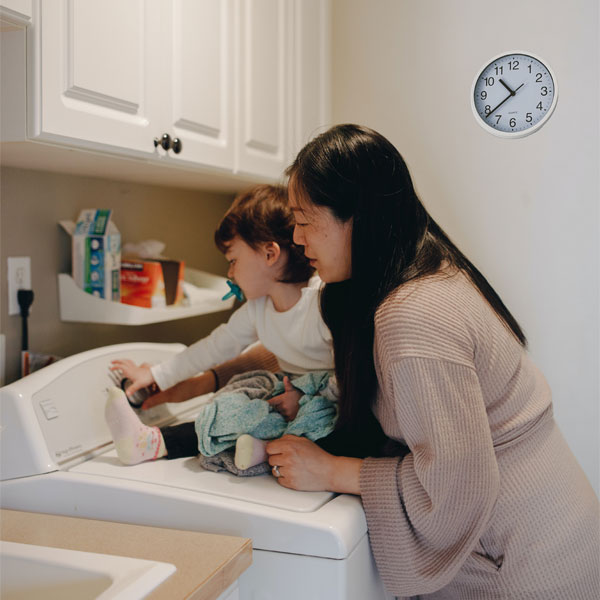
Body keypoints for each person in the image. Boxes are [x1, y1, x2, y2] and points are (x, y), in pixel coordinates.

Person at [260, 124, 600, 598]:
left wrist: (333, 470)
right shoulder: (426, 274)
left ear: (355, 215)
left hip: (519, 559)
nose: (296, 238)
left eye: (304, 219)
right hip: (550, 523)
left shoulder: (413, 314)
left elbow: (455, 489)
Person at [107, 184, 337, 471]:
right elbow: (215, 346)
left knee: (313, 420)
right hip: (287, 394)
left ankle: (262, 450)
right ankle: (150, 442)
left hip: (331, 400)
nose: (230, 273)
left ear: (270, 254)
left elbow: (353, 373)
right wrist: (155, 375)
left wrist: (305, 399)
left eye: (233, 261)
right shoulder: (257, 309)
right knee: (232, 405)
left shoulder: (322, 301)